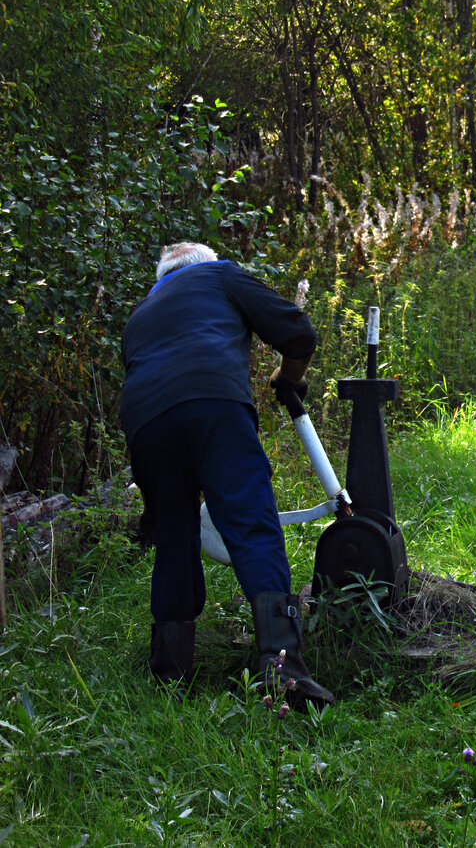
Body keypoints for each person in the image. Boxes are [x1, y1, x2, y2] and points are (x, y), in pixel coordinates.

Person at [120, 241, 333, 704]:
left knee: (174, 535)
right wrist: (291, 378)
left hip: (145, 425)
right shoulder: (221, 275)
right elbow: (298, 334)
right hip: (215, 407)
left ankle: (170, 675)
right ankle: (282, 667)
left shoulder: (141, 312)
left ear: (162, 278)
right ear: (207, 264)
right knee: (251, 525)